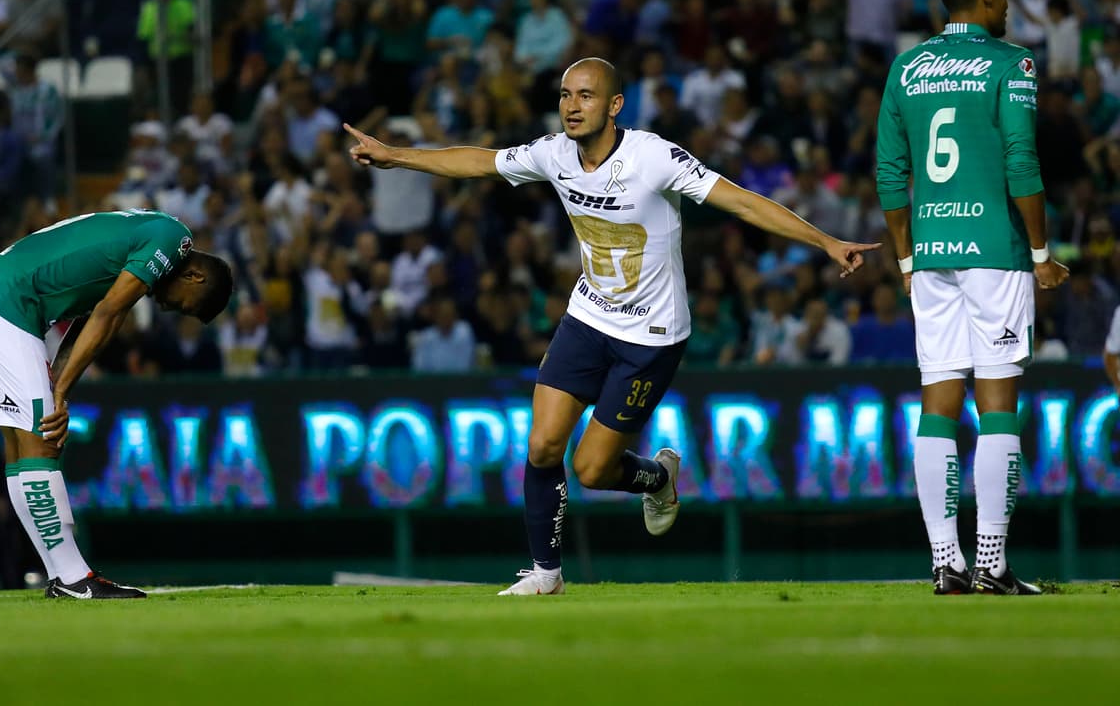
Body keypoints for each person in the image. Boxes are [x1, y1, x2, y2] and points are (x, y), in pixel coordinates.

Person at [346, 57, 879, 596]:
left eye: (585, 96)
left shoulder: (654, 157)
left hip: (651, 336)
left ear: (614, 105)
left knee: (592, 470)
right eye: (564, 96)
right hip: (588, 317)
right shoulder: (554, 154)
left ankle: (659, 477)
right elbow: (480, 162)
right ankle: (546, 574)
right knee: (542, 445)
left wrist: (826, 242)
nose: (572, 107)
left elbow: (741, 202)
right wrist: (396, 156)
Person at [876, 0, 1070, 597]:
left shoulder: (906, 68)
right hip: (995, 253)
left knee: (937, 403)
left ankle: (944, 562)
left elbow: (891, 175)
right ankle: (990, 561)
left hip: (932, 257)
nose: (1010, 4)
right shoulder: (1011, 63)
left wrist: (906, 259)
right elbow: (1021, 160)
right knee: (997, 407)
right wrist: (1041, 255)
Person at [0, 209, 233, 599]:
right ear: (194, 276)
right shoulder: (173, 238)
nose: (170, 309)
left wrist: (60, 385)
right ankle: (73, 578)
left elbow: (98, 316)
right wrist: (60, 394)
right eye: (186, 305)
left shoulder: (143, 240)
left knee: (21, 447)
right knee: (41, 440)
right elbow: (108, 312)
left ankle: (61, 575)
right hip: (4, 306)